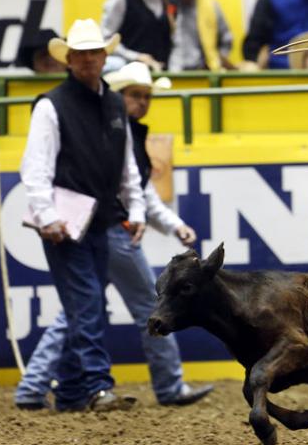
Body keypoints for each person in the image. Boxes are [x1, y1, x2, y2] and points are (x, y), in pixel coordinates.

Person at [16, 61, 215, 411]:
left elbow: (138, 189)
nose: (143, 102)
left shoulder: (120, 132)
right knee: (146, 306)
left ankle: (35, 387)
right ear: (118, 97)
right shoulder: (119, 133)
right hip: (112, 230)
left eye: (146, 96)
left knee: (79, 311)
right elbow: (135, 190)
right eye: (135, 95)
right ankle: (167, 385)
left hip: (99, 227)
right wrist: (166, 223)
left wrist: (168, 223)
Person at [18, 20, 146, 412]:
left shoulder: (112, 103)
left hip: (102, 219)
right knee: (88, 303)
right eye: (81, 54)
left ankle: (72, 391)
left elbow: (126, 165)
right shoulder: (50, 105)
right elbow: (34, 168)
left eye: (95, 52)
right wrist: (47, 215)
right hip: (65, 224)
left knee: (86, 306)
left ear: (105, 56)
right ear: (69, 60)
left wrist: (136, 206)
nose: (89, 59)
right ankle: (96, 386)